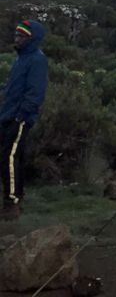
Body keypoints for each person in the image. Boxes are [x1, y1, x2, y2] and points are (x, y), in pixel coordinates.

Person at [0, 20, 48, 220]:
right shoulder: (21, 59)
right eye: (16, 35)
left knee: (8, 158)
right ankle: (18, 195)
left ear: (31, 38)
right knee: (16, 157)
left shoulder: (37, 59)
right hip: (7, 115)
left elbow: (35, 92)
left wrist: (21, 116)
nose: (17, 38)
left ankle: (11, 203)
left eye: (21, 36)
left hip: (19, 118)